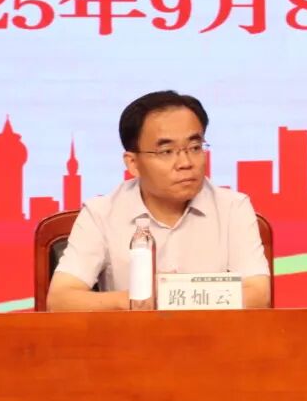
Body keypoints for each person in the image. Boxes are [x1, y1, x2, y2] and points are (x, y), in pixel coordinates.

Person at [47, 91, 272, 311]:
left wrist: (173, 297)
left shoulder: (233, 208)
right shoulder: (101, 213)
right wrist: (136, 301)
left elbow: (258, 295)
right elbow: (60, 299)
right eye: (166, 151)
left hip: (212, 335)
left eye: (195, 148)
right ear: (133, 163)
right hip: (134, 335)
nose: (185, 162)